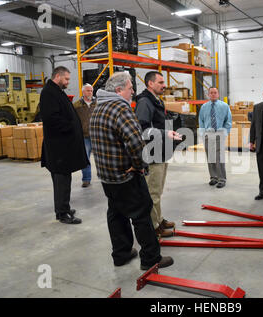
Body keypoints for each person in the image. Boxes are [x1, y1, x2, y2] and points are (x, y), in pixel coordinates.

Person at [89, 72, 173, 270]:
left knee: (116, 214)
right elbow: (136, 143)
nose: (133, 92)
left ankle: (122, 253)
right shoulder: (120, 109)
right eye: (130, 88)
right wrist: (139, 165)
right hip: (126, 175)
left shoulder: (98, 108)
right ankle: (151, 258)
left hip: (107, 176)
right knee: (142, 213)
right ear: (119, 90)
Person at [135, 71, 182, 238]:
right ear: (150, 84)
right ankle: (153, 228)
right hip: (152, 154)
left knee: (158, 191)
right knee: (152, 193)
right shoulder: (144, 102)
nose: (164, 85)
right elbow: (143, 130)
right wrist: (165, 133)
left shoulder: (155, 100)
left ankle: (159, 220)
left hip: (161, 152)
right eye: (161, 82)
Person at [39, 66, 88, 224]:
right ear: (58, 76)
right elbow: (51, 119)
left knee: (63, 180)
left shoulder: (56, 91)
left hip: (62, 146)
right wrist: (70, 128)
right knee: (61, 180)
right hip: (58, 147)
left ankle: (63, 207)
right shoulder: (48, 93)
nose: (68, 82)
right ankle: (62, 213)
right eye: (66, 79)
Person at [198, 87, 232, 188]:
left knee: (219, 157)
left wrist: (224, 133)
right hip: (208, 134)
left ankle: (222, 179)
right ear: (208, 94)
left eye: (215, 93)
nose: (213, 94)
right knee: (210, 157)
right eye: (211, 93)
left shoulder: (224, 106)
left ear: (218, 94)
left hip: (219, 133)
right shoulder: (204, 107)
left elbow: (228, 121)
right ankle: (213, 177)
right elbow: (201, 121)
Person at [73, 83, 97, 188]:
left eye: (91, 90)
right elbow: (73, 120)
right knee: (85, 159)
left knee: (101, 158)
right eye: (88, 90)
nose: (90, 92)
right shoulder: (76, 105)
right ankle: (86, 179)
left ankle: (105, 177)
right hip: (84, 136)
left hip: (97, 136)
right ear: (83, 92)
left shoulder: (98, 103)